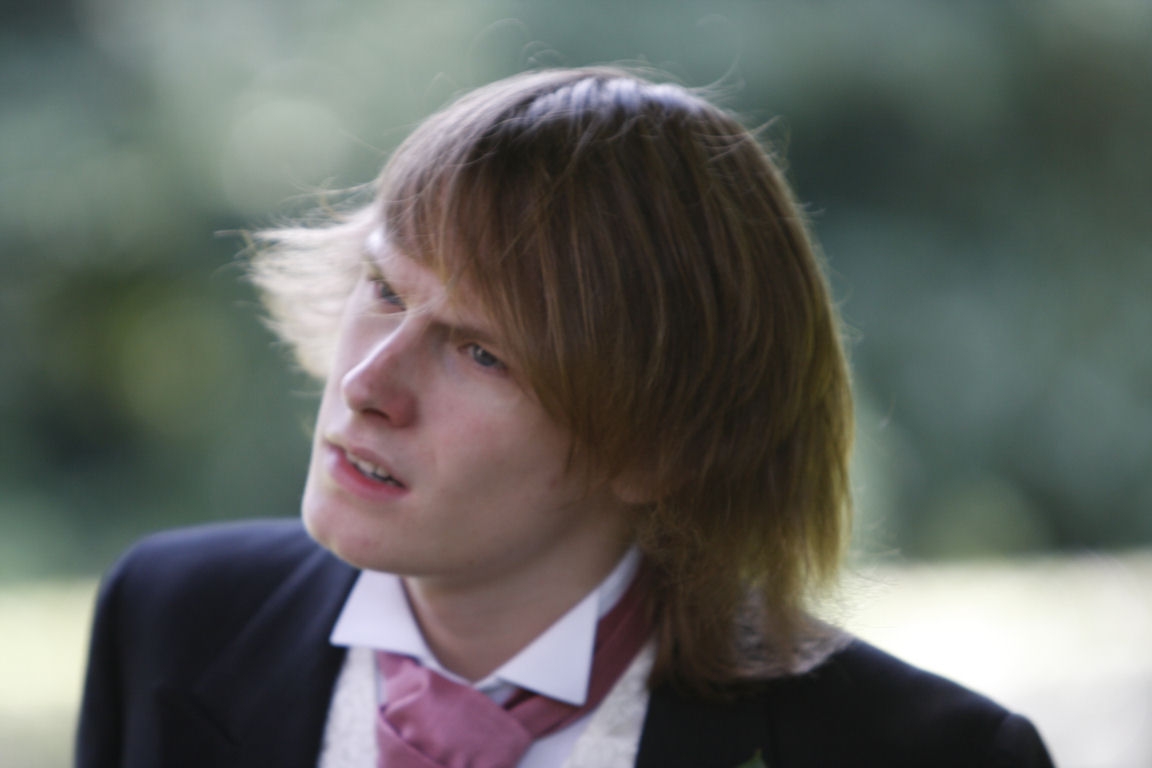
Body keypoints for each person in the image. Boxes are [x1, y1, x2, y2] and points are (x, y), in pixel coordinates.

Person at [75, 67, 1055, 768]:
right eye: (384, 288)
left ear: (664, 447)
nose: (368, 381)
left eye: (482, 352)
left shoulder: (924, 752)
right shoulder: (169, 620)